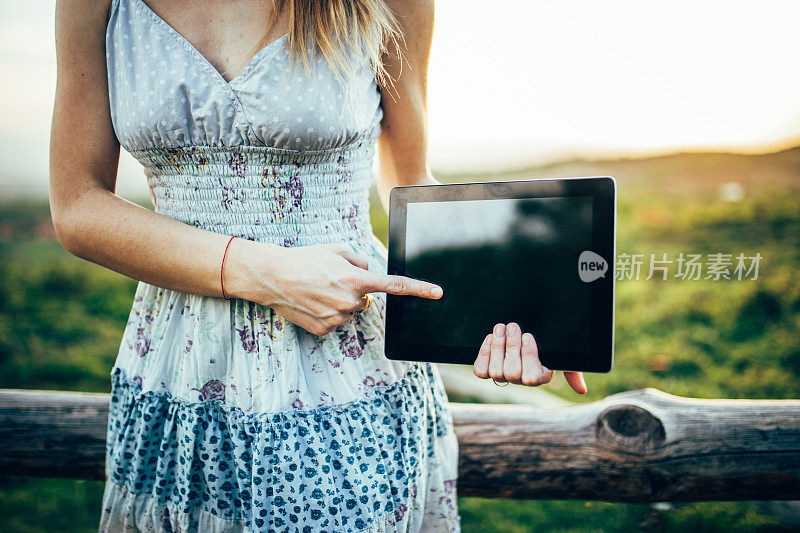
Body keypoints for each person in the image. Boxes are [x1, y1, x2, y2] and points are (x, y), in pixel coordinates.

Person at [49, 0, 587, 531]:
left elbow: (409, 180)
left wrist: (515, 303)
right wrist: (264, 273)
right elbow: (77, 207)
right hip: (180, 361)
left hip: (342, 356)